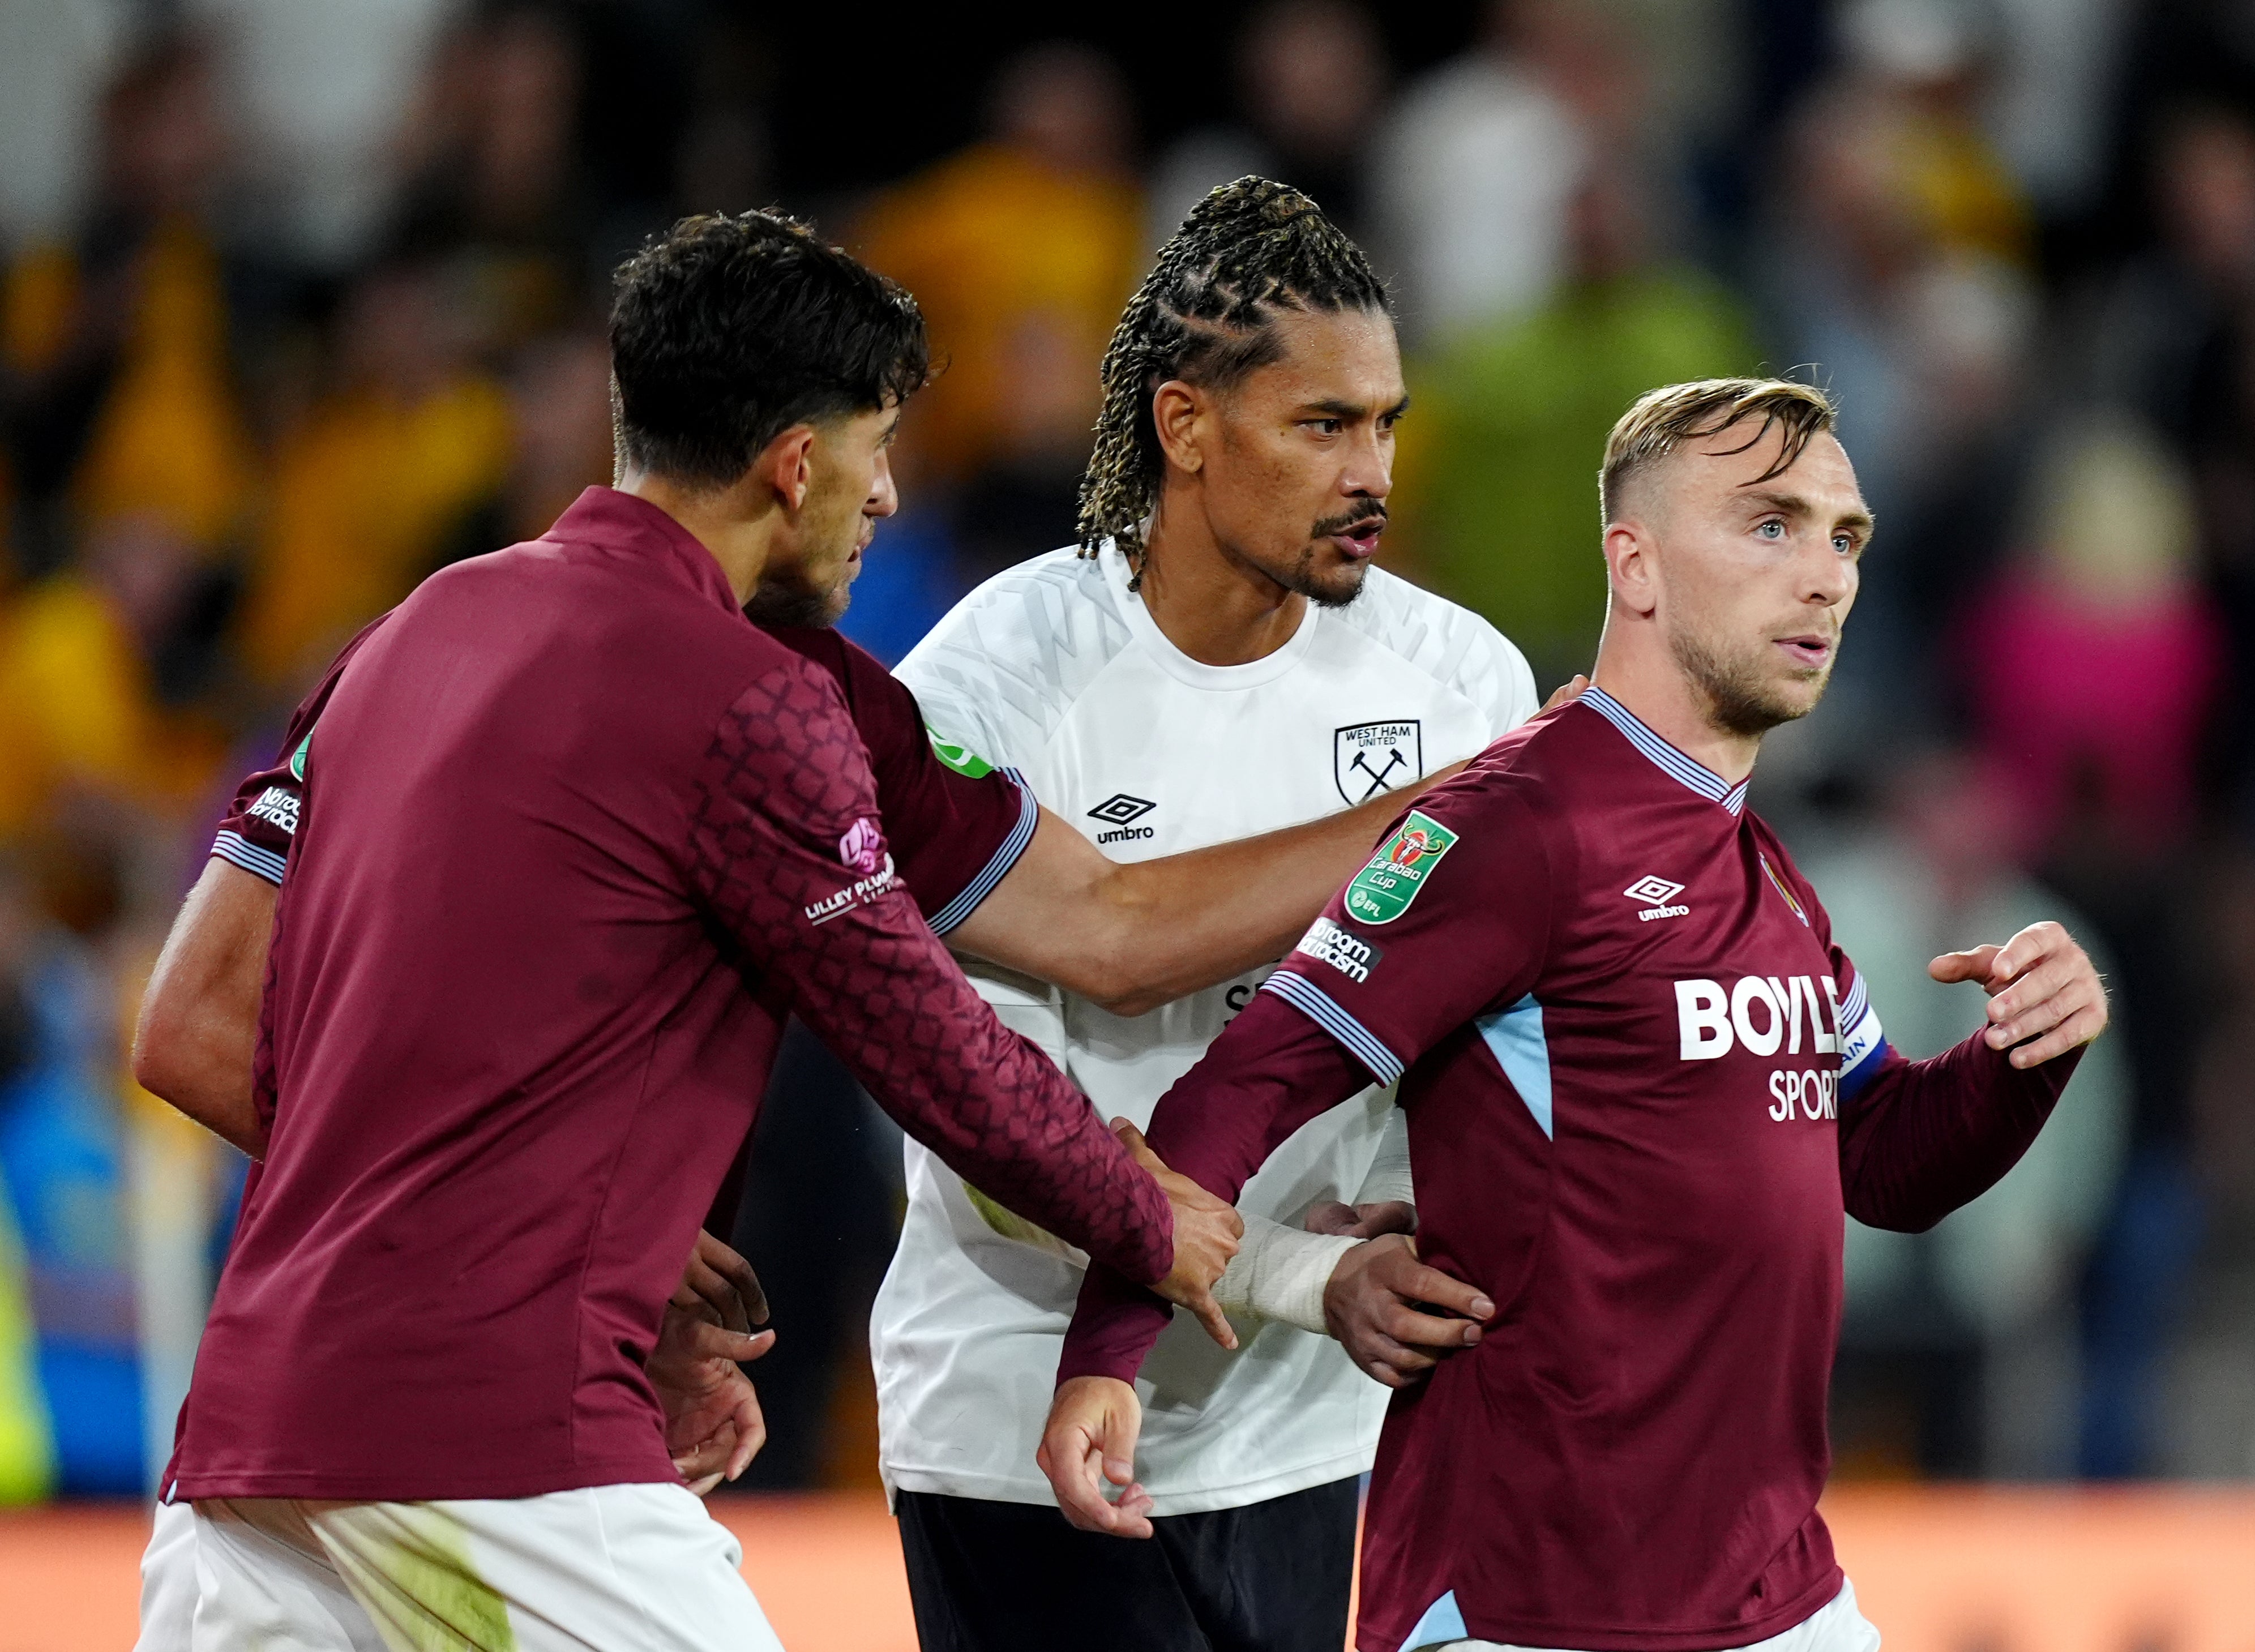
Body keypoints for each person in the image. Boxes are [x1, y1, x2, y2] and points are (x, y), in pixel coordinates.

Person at [125, 206, 1465, 1647]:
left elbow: (191, 1026)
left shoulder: (407, 635)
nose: (890, 496)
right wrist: (1164, 1221)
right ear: (798, 461)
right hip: (507, 1447)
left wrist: (566, 1222)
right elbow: (931, 1045)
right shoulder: (748, 702)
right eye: (880, 447)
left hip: (248, 1447)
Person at [1044, 378, 2111, 1652]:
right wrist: (1106, 1347)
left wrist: (2021, 1056)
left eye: (1845, 537)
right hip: (1536, 1607)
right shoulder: (1520, 824)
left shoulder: (1766, 867)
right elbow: (1246, 1084)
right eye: (1771, 525)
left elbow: (1877, 1156)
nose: (1825, 575)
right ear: (1636, 564)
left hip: (1784, 1600)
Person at [875, 178, 1541, 1652]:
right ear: (1184, 428)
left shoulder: (1456, 675)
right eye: (1322, 425)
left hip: (1313, 1429)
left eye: (1386, 421)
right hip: (1020, 1411)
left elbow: (1490, 1041)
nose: (1371, 468)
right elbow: (990, 1133)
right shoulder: (991, 683)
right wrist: (1315, 1274)